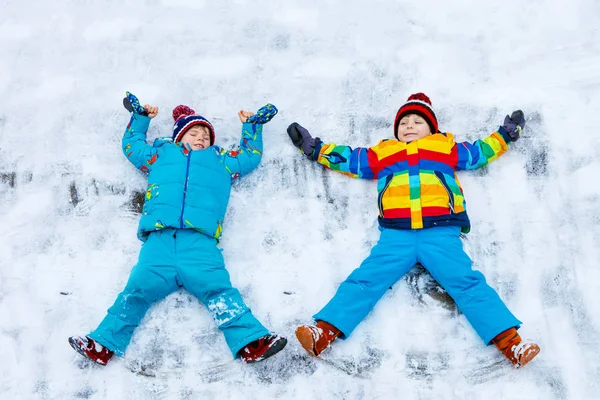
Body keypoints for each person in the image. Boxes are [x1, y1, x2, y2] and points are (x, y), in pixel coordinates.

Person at [287, 92, 540, 368]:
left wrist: (504, 135)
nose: (409, 125)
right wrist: (314, 147)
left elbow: (480, 151)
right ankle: (323, 333)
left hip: (440, 231)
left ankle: (511, 344)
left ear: (432, 128)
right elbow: (349, 159)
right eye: (404, 122)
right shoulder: (383, 153)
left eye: (417, 121)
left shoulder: (446, 148)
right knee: (366, 279)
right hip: (397, 235)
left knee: (466, 282)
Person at [69, 92, 286, 366]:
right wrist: (140, 119)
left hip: (199, 243)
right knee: (136, 291)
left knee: (219, 290)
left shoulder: (221, 160)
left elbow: (249, 157)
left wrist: (252, 127)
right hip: (159, 242)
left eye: (206, 136)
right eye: (195, 133)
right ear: (179, 136)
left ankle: (251, 343)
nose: (201, 139)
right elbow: (132, 147)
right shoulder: (161, 154)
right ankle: (102, 344)